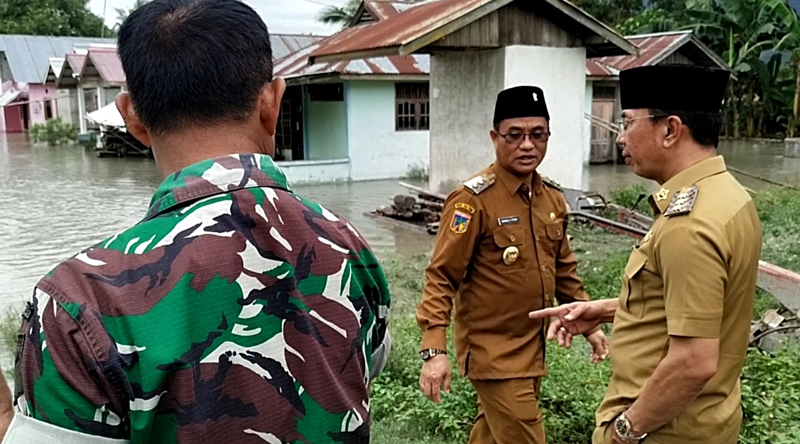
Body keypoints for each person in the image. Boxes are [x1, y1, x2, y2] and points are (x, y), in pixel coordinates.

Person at [0, 1, 391, 443]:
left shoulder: (76, 300)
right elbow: (363, 365)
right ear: (273, 102)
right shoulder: (350, 246)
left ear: (132, 118)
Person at [530, 65, 762, 444]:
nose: (621, 138)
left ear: (670, 130)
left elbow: (693, 361)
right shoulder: (730, 197)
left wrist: (625, 429)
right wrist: (604, 309)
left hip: (664, 432)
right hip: (708, 422)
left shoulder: (691, 223)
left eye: (627, 123)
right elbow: (694, 308)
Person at [416, 85, 609, 444]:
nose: (527, 145)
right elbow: (442, 277)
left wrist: (589, 323)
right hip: (495, 355)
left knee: (489, 437)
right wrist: (434, 351)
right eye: (515, 135)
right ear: (495, 136)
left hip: (532, 350)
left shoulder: (551, 198)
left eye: (538, 135)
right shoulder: (472, 202)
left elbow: (564, 269)